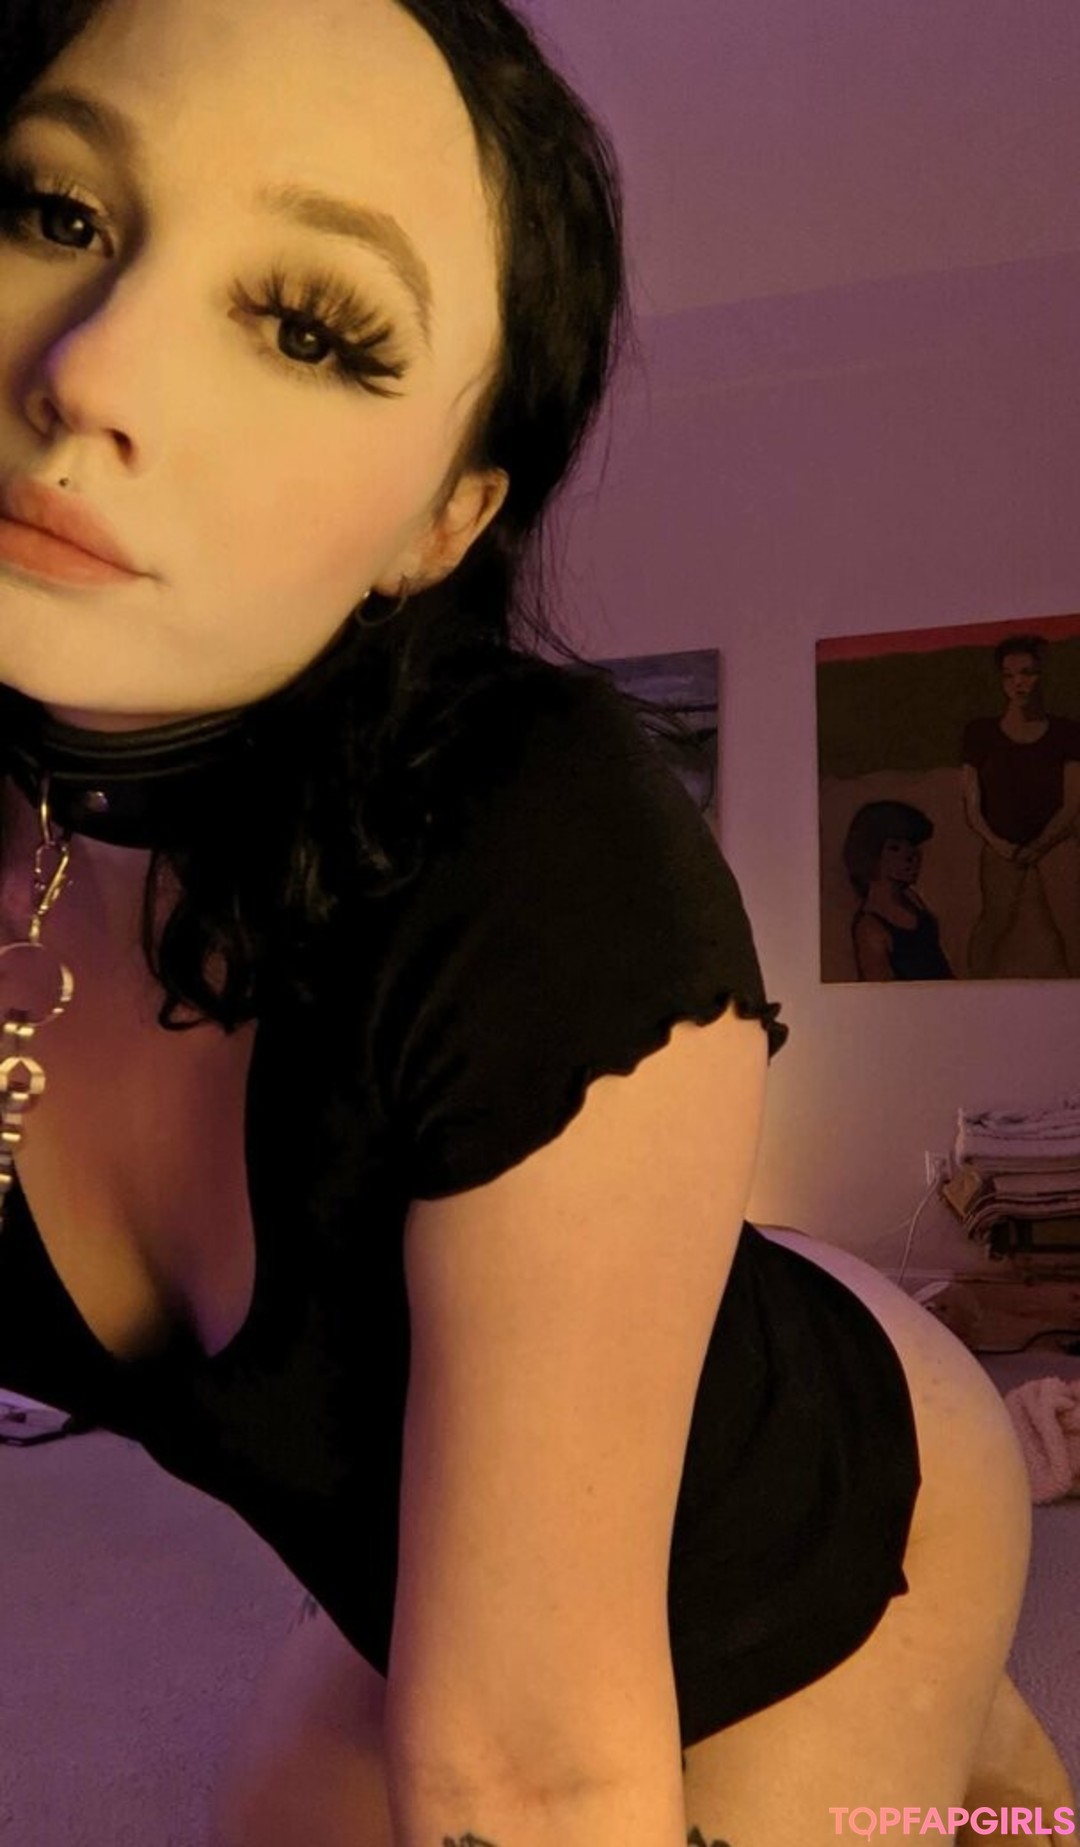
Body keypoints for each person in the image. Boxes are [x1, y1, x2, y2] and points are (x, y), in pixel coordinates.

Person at [0, 3, 1074, 1843]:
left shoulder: (539, 843)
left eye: (311, 325)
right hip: (449, 1531)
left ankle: (972, 1702)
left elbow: (532, 1767)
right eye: (57, 211)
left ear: (444, 522)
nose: (92, 369)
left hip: (821, 1514)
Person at [962, 635, 1080, 978]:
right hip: (1001, 845)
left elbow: (1073, 802)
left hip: (1056, 843)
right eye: (1009, 675)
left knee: (1071, 927)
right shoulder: (980, 732)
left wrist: (1040, 847)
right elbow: (972, 805)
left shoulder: (1067, 732)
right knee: (993, 924)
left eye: (1028, 673)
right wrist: (1000, 845)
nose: (1018, 683)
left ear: (1042, 675)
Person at [843, 801, 954, 981]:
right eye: (895, 848)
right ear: (871, 854)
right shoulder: (870, 929)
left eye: (913, 845)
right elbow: (884, 993)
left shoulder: (911, 899)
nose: (911, 856)